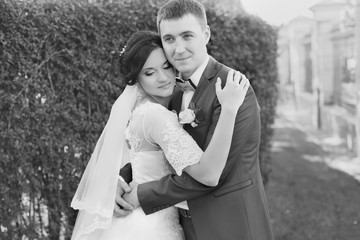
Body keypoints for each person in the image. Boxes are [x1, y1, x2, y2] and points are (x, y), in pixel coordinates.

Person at [117, 1, 275, 240]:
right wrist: (124, 179)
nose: (178, 49)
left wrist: (142, 193)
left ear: (206, 34)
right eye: (169, 39)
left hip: (230, 226)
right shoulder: (172, 91)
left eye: (187, 36)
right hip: (182, 228)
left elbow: (213, 175)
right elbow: (163, 152)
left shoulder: (234, 89)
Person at [70, 30, 249, 240]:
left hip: (148, 218)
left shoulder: (146, 109)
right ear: (135, 78)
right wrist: (229, 108)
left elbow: (143, 163)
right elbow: (208, 174)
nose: (163, 78)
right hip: (151, 227)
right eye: (149, 72)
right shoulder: (155, 116)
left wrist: (118, 179)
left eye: (166, 66)